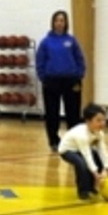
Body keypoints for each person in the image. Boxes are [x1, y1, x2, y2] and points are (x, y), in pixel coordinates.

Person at [36, 9, 87, 150]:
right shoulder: (46, 42)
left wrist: (79, 74)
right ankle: (53, 141)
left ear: (66, 23)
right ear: (53, 23)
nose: (59, 23)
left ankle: (73, 141)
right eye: (57, 20)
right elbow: (40, 61)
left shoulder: (71, 41)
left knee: (73, 113)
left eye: (62, 20)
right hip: (51, 81)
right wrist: (43, 77)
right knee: (52, 113)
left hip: (71, 80)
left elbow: (79, 58)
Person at [58, 103, 108, 201]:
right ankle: (83, 191)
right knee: (81, 164)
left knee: (98, 160)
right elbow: (87, 155)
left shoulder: (99, 133)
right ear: (88, 121)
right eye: (98, 120)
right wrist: (95, 173)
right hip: (67, 151)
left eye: (103, 120)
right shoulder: (81, 134)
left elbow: (103, 151)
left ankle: (91, 187)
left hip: (80, 150)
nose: (102, 123)